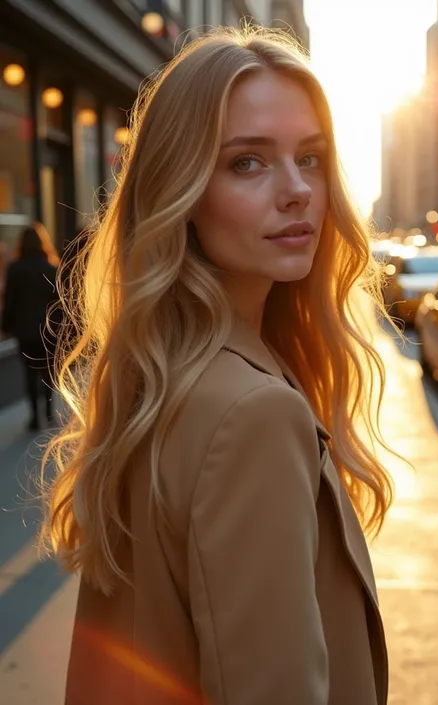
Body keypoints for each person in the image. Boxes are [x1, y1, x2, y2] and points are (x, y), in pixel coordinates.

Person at [40, 27, 396, 705]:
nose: (297, 191)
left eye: (311, 158)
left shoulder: (165, 376)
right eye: (247, 163)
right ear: (183, 189)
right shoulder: (252, 413)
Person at [1, 223, 60, 431]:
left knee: (29, 373)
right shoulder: (51, 267)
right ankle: (48, 414)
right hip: (48, 330)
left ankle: (35, 417)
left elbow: (10, 301)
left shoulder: (15, 269)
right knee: (47, 372)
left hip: (24, 330)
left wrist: (6, 326)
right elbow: (59, 303)